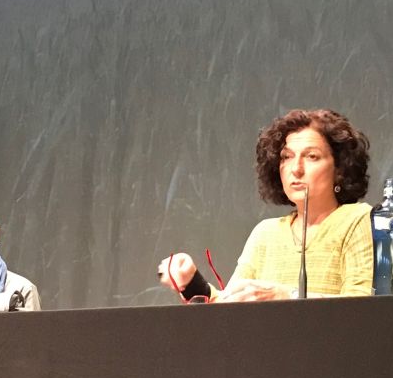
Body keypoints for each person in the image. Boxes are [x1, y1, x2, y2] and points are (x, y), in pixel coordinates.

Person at [158, 109, 374, 301]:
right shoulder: (266, 233)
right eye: (286, 157)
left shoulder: (359, 219)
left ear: (340, 169)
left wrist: (286, 296)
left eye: (312, 156)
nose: (295, 169)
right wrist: (191, 282)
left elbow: (362, 304)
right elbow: (229, 305)